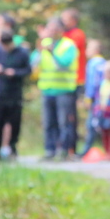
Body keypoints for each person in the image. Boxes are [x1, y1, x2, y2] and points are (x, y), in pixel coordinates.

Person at [37, 17, 78, 161]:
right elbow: (34, 62)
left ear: (61, 30)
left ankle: (64, 150)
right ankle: (50, 150)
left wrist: (52, 51)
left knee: (64, 122)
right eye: (50, 28)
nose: (52, 32)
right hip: (47, 89)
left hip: (64, 90)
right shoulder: (44, 43)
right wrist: (39, 47)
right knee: (49, 123)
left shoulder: (68, 45)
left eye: (55, 29)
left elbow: (64, 64)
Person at [0, 31, 31, 158]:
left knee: (14, 122)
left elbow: (28, 70)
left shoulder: (22, 52)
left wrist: (15, 73)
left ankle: (12, 147)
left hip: (15, 93)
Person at [61, 8, 87, 153]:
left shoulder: (77, 34)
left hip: (77, 80)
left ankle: (72, 147)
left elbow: (67, 49)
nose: (62, 22)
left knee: (71, 115)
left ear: (74, 20)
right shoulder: (64, 35)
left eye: (65, 19)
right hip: (64, 81)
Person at [78, 39, 106, 157]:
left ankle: (87, 150)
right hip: (102, 98)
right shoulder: (103, 62)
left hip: (96, 99)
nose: (86, 51)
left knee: (92, 124)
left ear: (96, 50)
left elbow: (93, 83)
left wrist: (88, 98)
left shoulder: (94, 63)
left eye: (88, 48)